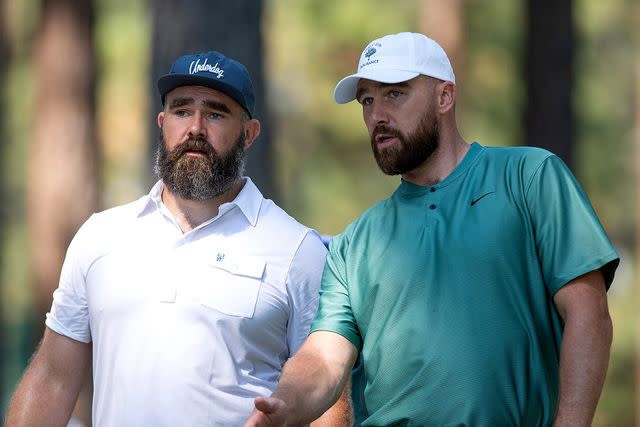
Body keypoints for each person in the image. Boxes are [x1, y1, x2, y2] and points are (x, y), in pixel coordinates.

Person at [246, 32, 620, 426]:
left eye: (395, 94)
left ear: (445, 97)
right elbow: (324, 357)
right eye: (367, 100)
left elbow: (588, 314)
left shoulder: (530, 177)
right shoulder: (355, 242)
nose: (377, 116)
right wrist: (286, 404)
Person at [6, 51, 342, 426]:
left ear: (249, 135)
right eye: (183, 111)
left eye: (215, 113)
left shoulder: (298, 250)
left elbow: (328, 395)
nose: (195, 128)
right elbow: (53, 379)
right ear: (163, 123)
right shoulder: (100, 237)